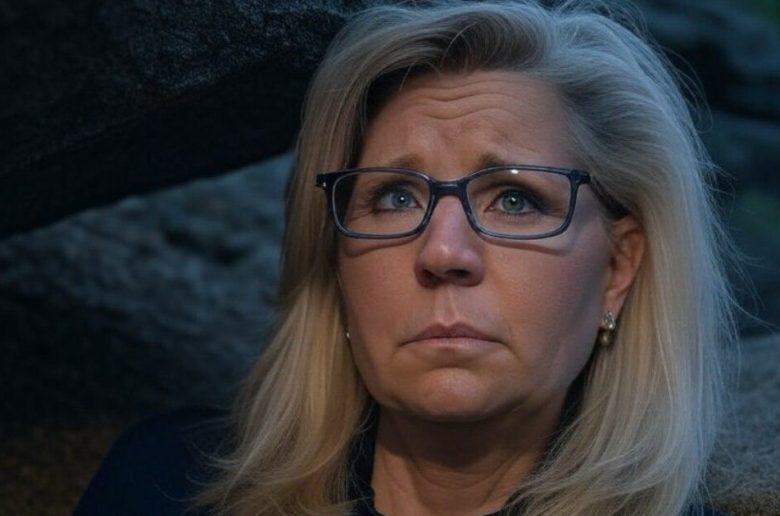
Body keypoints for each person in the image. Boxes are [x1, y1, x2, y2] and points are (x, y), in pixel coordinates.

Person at [75, 1, 738, 515]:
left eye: (514, 199)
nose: (444, 252)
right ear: (336, 260)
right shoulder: (164, 484)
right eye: (394, 196)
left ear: (618, 268)